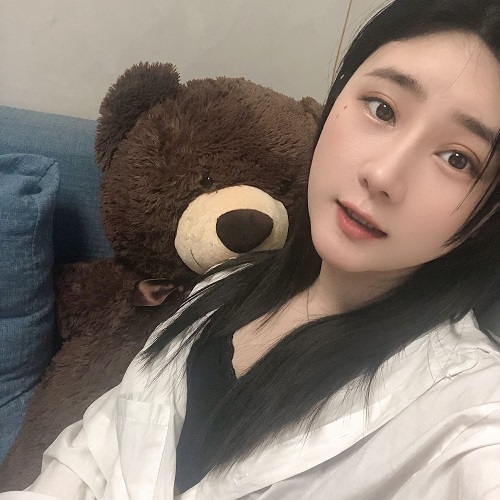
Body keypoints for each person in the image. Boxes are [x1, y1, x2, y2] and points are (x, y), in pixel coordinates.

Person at [2, 0, 500, 497]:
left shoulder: (468, 417)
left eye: (458, 159)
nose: (384, 174)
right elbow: (90, 457)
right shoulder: (225, 284)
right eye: (382, 108)